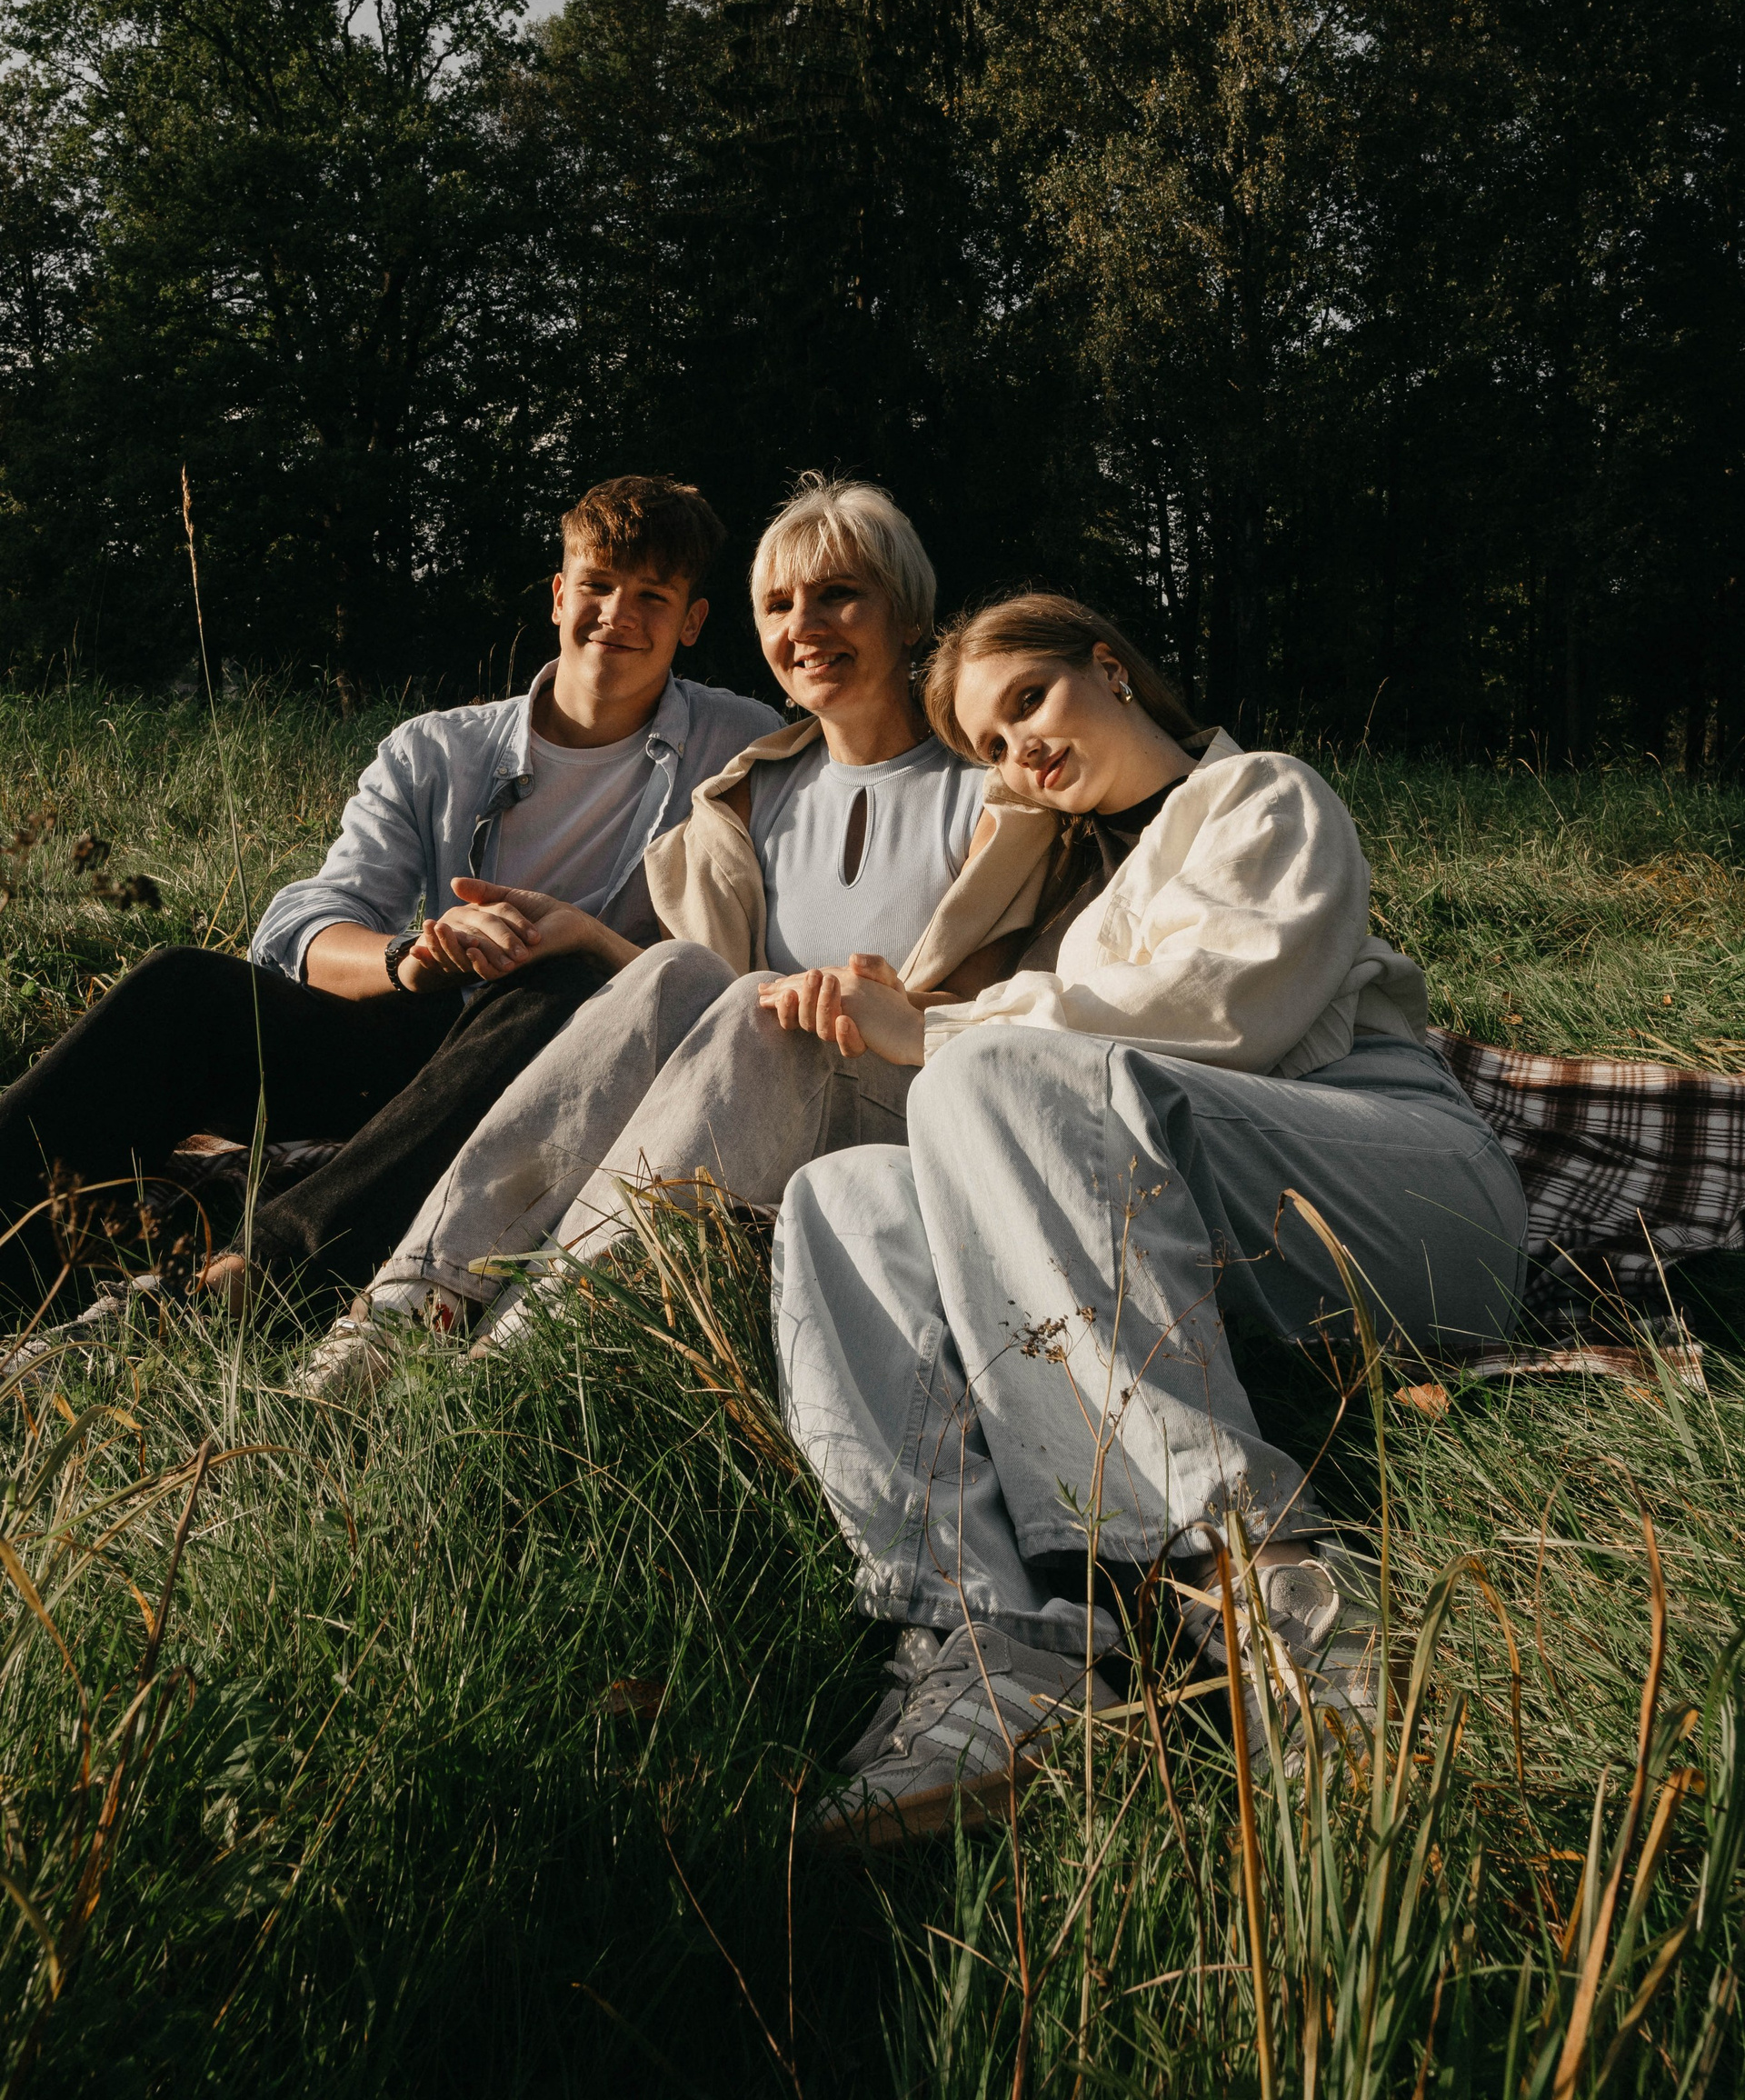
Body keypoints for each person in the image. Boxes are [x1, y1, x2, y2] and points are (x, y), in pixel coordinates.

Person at [761, 593, 1531, 1845]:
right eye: (993, 747)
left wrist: (944, 1026)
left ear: (1111, 667)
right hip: (1228, 1227)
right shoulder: (1088, 897)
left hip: (1407, 1193)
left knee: (980, 1075)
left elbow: (1226, 1012)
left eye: (1031, 700)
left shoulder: (1261, 795)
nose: (1022, 749)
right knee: (838, 1197)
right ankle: (992, 1643)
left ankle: (1258, 1578)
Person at [304, 476, 1058, 1395]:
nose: (805, 626)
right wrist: (588, 936)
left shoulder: (994, 794)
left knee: (755, 1009)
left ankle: (520, 1361)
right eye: (778, 605)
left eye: (838, 595)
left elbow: (994, 1017)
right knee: (672, 969)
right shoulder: (750, 793)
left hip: (904, 1128)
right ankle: (403, 1311)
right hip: (744, 1125)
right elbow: (705, 1016)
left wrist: (872, 1006)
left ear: (908, 615)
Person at [0, 475, 777, 1359]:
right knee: (185, 987)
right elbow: (309, 922)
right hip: (418, 1044)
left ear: (692, 621)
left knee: (557, 982)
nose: (616, 616)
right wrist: (414, 957)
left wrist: (582, 944)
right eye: (597, 586)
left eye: (652, 598)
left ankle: (254, 1280)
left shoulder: (742, 743)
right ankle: (16, 1246)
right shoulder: (439, 749)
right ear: (559, 595)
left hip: (571, 1073)